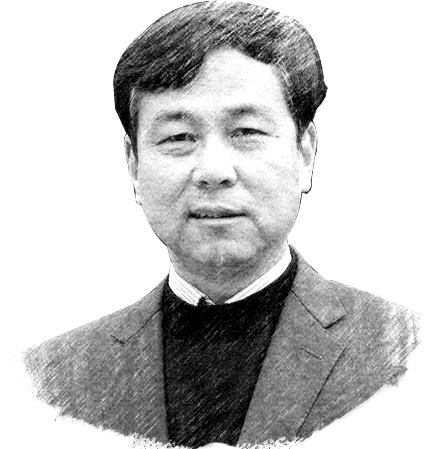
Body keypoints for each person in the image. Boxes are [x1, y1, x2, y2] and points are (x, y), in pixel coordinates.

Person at [24, 2, 419, 447]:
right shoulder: (50, 378)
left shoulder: (402, 351)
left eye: (246, 132)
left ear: (305, 152)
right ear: (133, 165)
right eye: (178, 137)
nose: (214, 171)